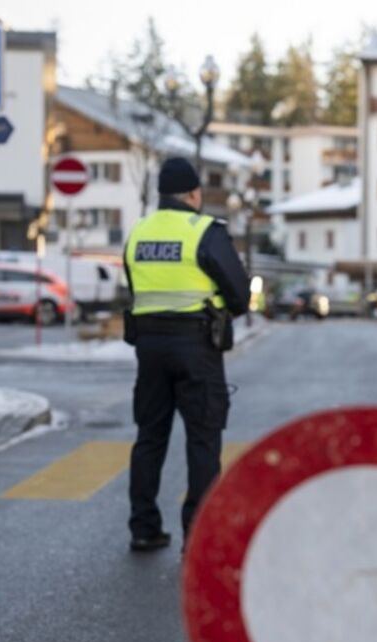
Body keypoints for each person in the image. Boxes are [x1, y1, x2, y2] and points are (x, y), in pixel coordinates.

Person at [123, 157, 249, 552]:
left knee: (150, 436)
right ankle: (197, 534)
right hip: (197, 345)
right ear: (194, 194)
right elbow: (240, 294)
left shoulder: (138, 232)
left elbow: (134, 286)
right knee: (203, 439)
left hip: (148, 347)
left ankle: (144, 527)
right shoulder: (204, 232)